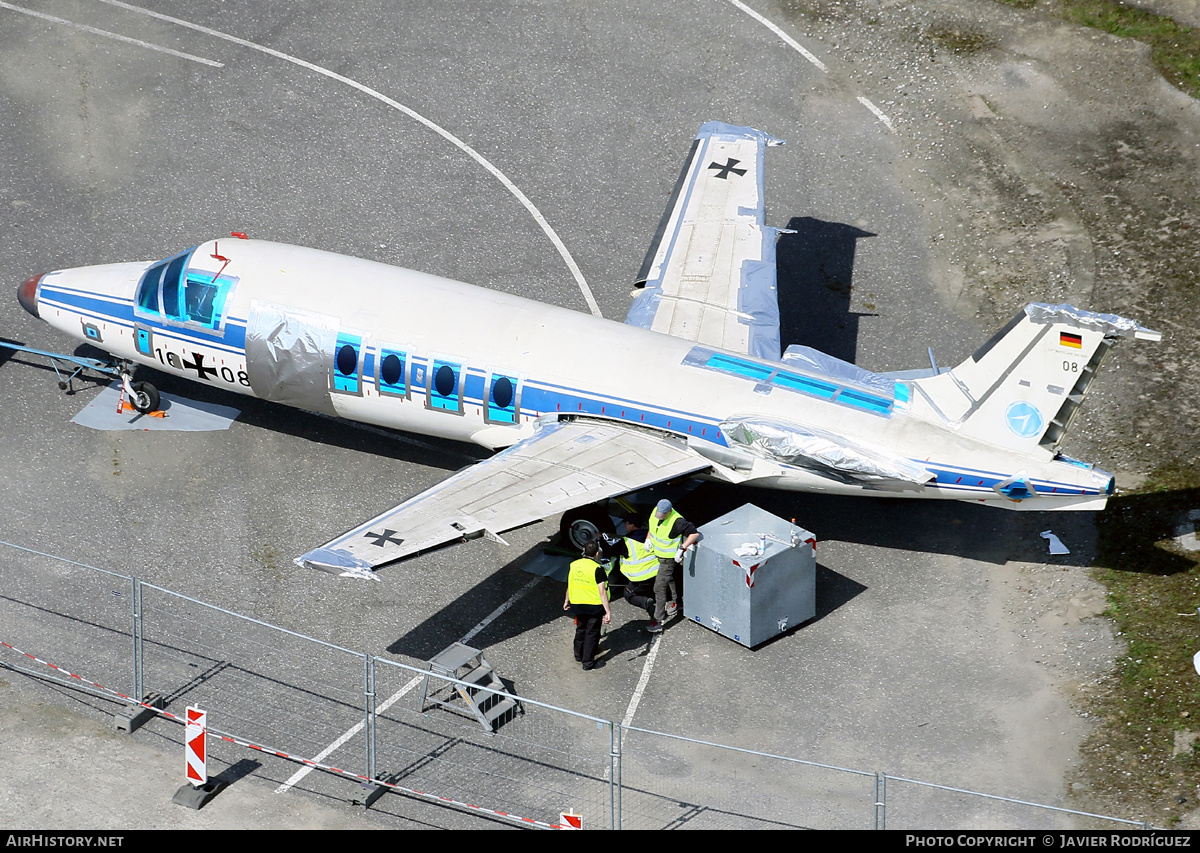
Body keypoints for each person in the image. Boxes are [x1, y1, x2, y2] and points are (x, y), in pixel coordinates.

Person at [645, 499, 699, 633]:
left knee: (659, 588)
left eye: (663, 515)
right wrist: (648, 538)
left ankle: (658, 620)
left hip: (668, 559)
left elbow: (694, 533)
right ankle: (678, 603)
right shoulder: (656, 512)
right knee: (671, 579)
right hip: (659, 554)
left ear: (669, 512)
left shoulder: (678, 521)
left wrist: (682, 548)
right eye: (659, 514)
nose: (660, 516)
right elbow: (652, 527)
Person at [563, 541, 611, 670]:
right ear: (596, 554)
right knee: (592, 633)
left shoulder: (574, 565)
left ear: (583, 550)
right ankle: (588, 662)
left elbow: (570, 584)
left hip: (577, 604)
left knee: (580, 629)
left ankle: (578, 655)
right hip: (594, 606)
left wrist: (566, 600)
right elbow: (602, 591)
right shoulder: (597, 569)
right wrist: (607, 611)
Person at [605, 516, 658, 620]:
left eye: (627, 523)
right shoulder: (650, 535)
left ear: (632, 525)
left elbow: (611, 550)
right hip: (657, 572)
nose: (625, 525)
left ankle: (646, 603)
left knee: (628, 594)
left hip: (641, 577)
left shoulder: (627, 541)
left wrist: (601, 538)